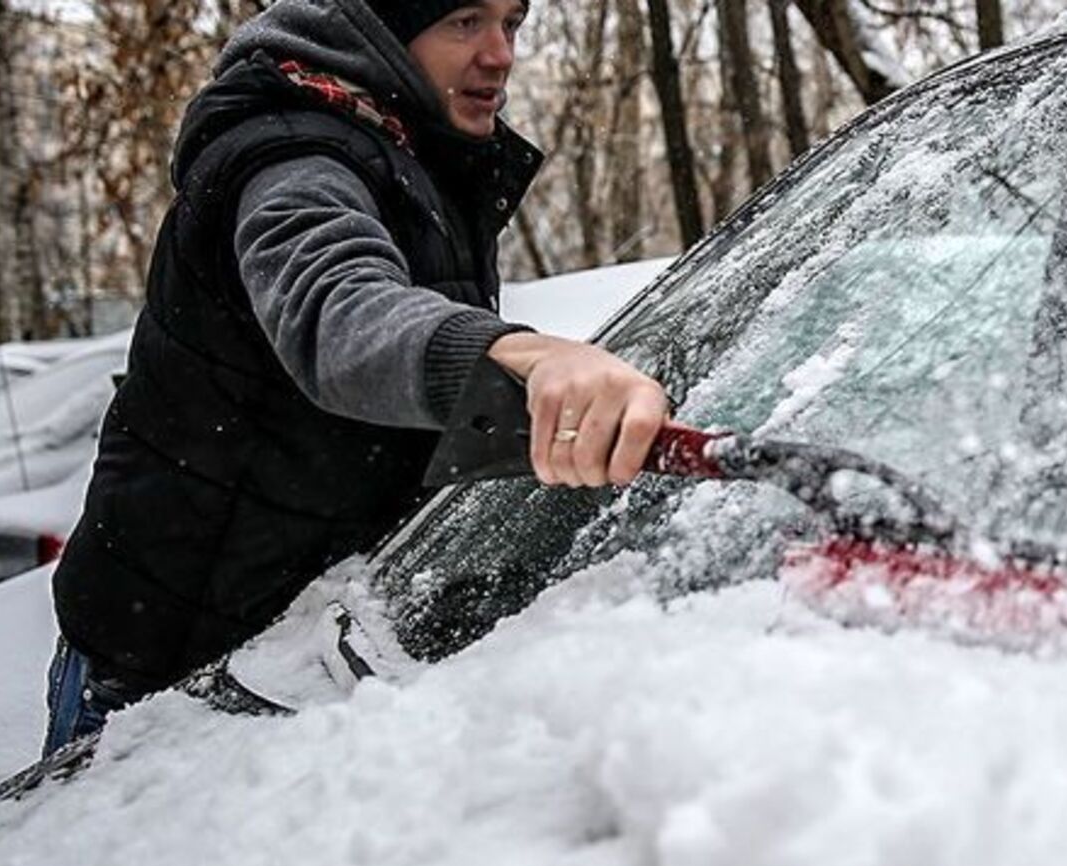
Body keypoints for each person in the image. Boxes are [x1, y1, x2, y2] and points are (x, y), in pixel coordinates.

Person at [44, 0, 667, 754]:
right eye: (466, 21)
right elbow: (337, 311)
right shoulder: (292, 154)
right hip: (161, 681)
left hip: (298, 657)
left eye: (514, 23)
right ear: (383, 29)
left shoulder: (413, 154)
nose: (500, 54)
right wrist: (526, 357)